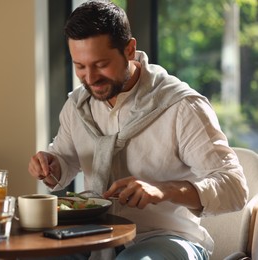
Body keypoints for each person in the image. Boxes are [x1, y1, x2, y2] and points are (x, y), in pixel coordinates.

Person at [28, 1, 248, 259]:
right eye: (80, 66)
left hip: (166, 237)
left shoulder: (181, 106)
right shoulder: (78, 106)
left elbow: (234, 187)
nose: (90, 78)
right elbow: (64, 160)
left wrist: (164, 189)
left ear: (130, 50)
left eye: (100, 64)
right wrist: (51, 165)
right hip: (91, 234)